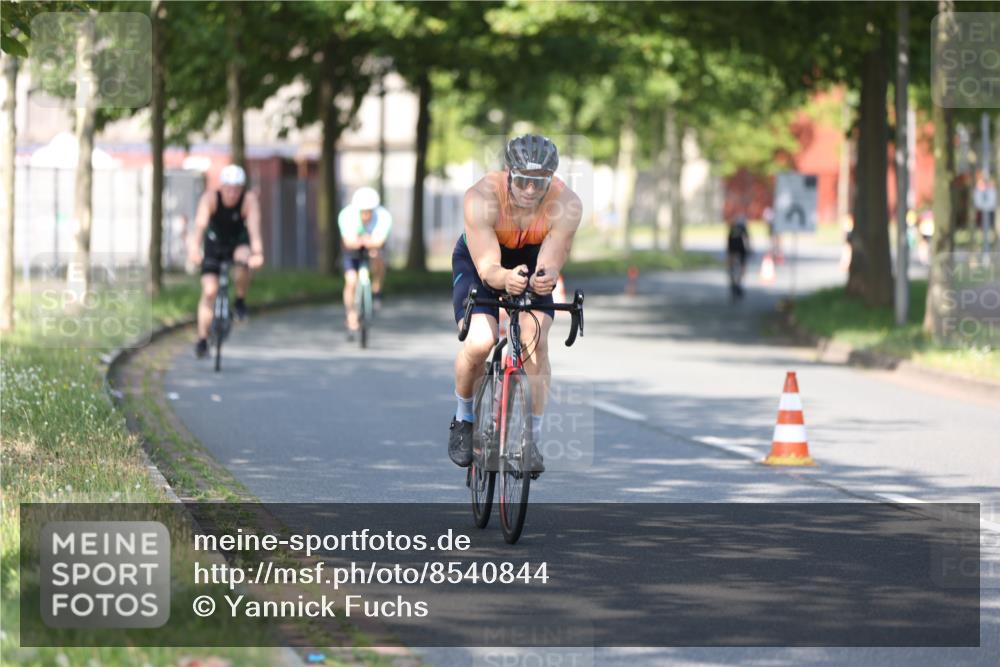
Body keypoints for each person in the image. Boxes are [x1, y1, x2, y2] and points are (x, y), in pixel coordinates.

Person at [448, 134, 583, 475]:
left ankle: (531, 441)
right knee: (481, 341)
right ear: (508, 173)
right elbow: (489, 268)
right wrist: (503, 278)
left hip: (530, 255)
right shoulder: (481, 198)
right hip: (482, 259)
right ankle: (464, 417)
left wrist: (545, 278)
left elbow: (552, 259)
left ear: (551, 180)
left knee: (534, 342)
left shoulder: (567, 204)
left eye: (539, 183)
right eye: (522, 181)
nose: (529, 191)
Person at [187, 164, 264, 359]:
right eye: (228, 189)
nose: (232, 194)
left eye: (236, 189)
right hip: (214, 244)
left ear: (242, 189)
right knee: (210, 291)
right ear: (222, 187)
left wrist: (258, 253)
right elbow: (199, 226)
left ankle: (239, 301)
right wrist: (194, 249)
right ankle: (203, 339)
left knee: (244, 260)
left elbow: (254, 230)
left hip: (237, 243)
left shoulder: (248, 201)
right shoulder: (210, 199)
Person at [339, 186, 392, 340]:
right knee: (350, 281)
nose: (366, 215)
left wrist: (365, 241)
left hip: (372, 250)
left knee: (378, 258)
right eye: (363, 211)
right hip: (353, 252)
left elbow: (379, 241)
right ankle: (351, 315)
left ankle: (376, 289)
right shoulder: (347, 215)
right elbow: (348, 242)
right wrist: (366, 241)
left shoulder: (383, 216)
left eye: (369, 211)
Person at [726, 215, 751, 300]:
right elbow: (747, 238)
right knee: (742, 267)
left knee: (732, 267)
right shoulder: (741, 228)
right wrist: (749, 248)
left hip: (733, 249)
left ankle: (734, 282)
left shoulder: (732, 228)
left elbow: (728, 240)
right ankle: (737, 283)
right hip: (739, 249)